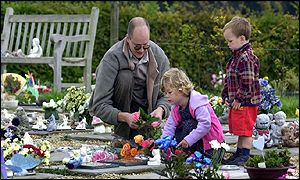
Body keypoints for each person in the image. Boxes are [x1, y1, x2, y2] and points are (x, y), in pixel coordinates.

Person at [88, 17, 171, 140]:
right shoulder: (112, 58)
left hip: (147, 108)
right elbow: (99, 104)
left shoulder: (159, 56)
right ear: (128, 39)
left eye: (146, 45)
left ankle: (146, 131)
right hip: (122, 107)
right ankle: (121, 135)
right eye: (137, 47)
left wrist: (160, 110)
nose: (142, 50)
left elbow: (169, 94)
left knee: (145, 145)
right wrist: (123, 116)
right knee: (125, 77)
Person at [221, 16, 261, 166]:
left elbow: (247, 82)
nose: (228, 44)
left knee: (246, 130)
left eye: (230, 41)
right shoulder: (235, 58)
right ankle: (238, 153)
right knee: (240, 129)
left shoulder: (246, 58)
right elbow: (229, 79)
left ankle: (244, 155)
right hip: (238, 101)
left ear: (242, 38)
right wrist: (225, 95)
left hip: (246, 101)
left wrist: (238, 98)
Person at [161, 68, 224, 158]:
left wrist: (188, 140)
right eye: (165, 93)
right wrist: (164, 142)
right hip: (194, 142)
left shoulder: (197, 102)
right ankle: (184, 153)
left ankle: (194, 155)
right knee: (178, 129)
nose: (166, 96)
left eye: (169, 92)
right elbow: (169, 126)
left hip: (211, 145)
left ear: (181, 89)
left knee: (189, 124)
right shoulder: (176, 107)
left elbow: (205, 125)